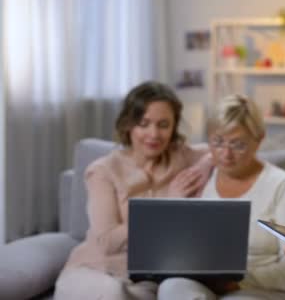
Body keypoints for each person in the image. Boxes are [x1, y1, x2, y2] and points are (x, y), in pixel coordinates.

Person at [54, 81, 214, 300]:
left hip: (143, 282)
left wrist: (205, 166)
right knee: (112, 293)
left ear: (174, 127)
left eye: (163, 124)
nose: (154, 134)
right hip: (94, 271)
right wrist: (168, 205)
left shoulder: (180, 156)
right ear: (129, 124)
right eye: (144, 123)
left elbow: (219, 149)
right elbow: (107, 242)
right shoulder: (103, 171)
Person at [157, 94, 285, 300]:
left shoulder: (280, 183)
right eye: (217, 142)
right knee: (172, 288)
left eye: (238, 145)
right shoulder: (201, 176)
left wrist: (238, 281)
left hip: (264, 288)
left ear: (259, 140)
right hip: (205, 281)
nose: (225, 155)